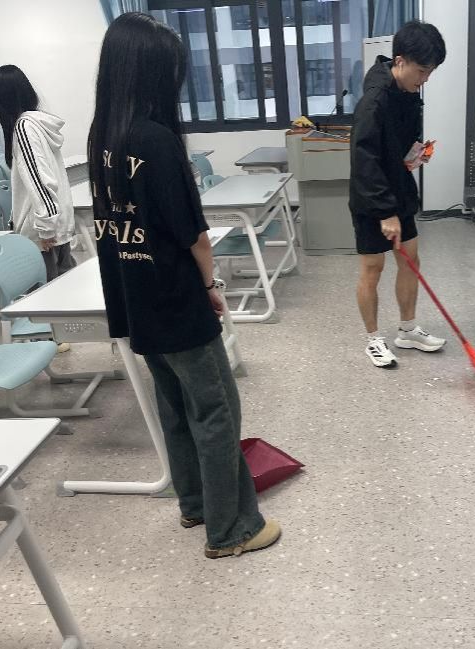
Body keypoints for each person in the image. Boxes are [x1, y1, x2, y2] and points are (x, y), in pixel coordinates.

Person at [87, 12, 280, 558]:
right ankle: (231, 529)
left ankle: (195, 503)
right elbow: (193, 234)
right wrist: (210, 284)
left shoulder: (102, 135)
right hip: (175, 297)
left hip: (135, 296)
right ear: (152, 73)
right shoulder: (157, 140)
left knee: (173, 405)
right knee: (216, 408)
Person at [349, 20, 447, 368]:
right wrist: (385, 212)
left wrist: (415, 155)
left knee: (410, 260)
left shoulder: (409, 92)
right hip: (371, 197)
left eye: (431, 72)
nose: (426, 79)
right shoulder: (374, 101)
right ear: (400, 61)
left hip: (399, 191)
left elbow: (400, 143)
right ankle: (373, 339)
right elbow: (364, 161)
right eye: (422, 71)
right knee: (373, 267)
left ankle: (407, 330)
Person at [0, 65, 76, 282]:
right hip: (56, 221)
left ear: (3, 99)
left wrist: (46, 228)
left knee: (48, 291)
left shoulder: (24, 128)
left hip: (44, 229)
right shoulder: (37, 123)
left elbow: (39, 180)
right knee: (65, 285)